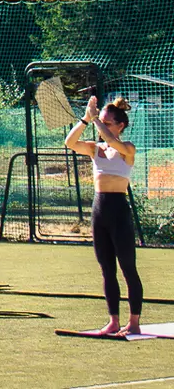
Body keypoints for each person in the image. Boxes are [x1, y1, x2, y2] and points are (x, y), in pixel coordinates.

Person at [65, 95, 143, 335]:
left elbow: (112, 140)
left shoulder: (127, 148)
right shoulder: (96, 149)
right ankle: (113, 321)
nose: (103, 127)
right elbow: (70, 142)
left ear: (120, 126)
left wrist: (96, 118)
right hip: (100, 211)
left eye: (109, 123)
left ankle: (134, 322)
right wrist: (86, 118)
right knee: (106, 268)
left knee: (128, 267)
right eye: (103, 122)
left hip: (119, 210)